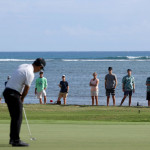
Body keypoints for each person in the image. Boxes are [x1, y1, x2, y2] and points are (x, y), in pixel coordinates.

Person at [3, 58, 46, 147]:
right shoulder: (30, 73)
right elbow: (27, 88)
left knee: (15, 117)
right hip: (13, 93)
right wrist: (22, 99)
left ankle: (12, 139)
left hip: (7, 92)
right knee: (18, 117)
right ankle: (16, 140)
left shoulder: (24, 65)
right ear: (40, 66)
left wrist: (20, 97)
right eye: (41, 69)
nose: (39, 71)